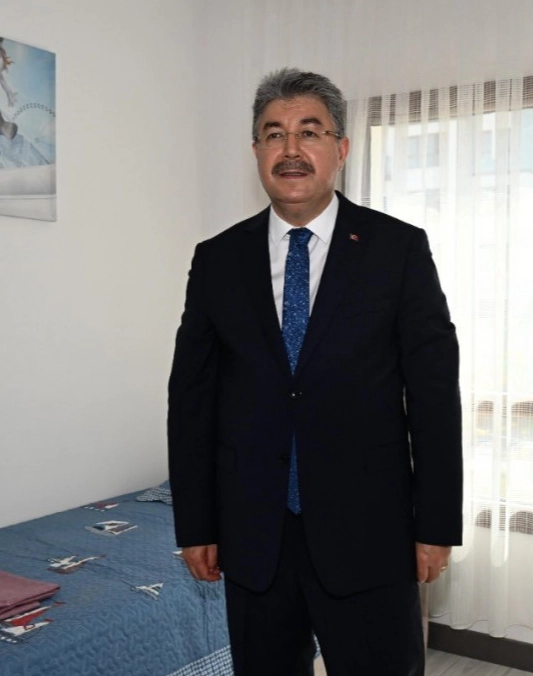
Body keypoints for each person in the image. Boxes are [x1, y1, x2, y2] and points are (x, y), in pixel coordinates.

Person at [168, 68, 462, 676]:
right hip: (255, 538)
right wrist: (195, 524)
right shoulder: (217, 260)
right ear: (256, 150)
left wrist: (435, 525)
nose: (291, 149)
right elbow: (192, 400)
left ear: (341, 148)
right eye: (274, 134)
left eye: (309, 131)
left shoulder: (398, 250)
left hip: (370, 534)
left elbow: (434, 397)